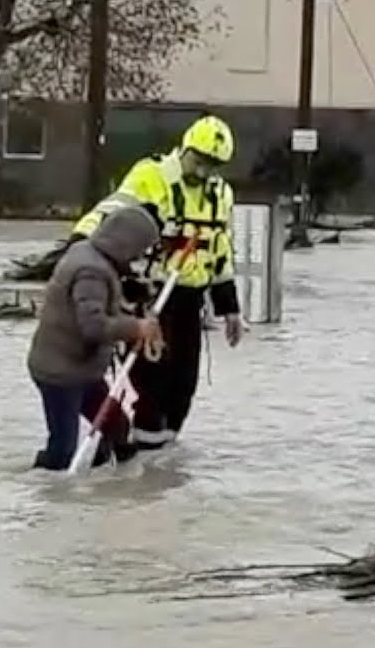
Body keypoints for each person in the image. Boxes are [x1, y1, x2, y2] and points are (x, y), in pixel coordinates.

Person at [68, 114, 244, 450]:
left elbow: (221, 251)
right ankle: (144, 455)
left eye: (213, 166)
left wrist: (230, 309)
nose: (204, 172)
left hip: (190, 298)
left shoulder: (221, 194)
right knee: (152, 381)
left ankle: (165, 460)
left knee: (183, 384)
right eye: (200, 162)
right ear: (186, 149)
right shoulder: (152, 176)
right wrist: (80, 244)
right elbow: (113, 212)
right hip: (149, 296)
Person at [26, 204, 164, 471]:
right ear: (127, 242)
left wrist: (132, 308)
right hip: (60, 373)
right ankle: (42, 492)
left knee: (118, 427)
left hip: (83, 370)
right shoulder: (92, 271)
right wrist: (136, 329)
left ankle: (104, 484)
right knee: (63, 449)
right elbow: (93, 326)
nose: (141, 256)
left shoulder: (88, 252)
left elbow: (104, 306)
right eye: (140, 249)